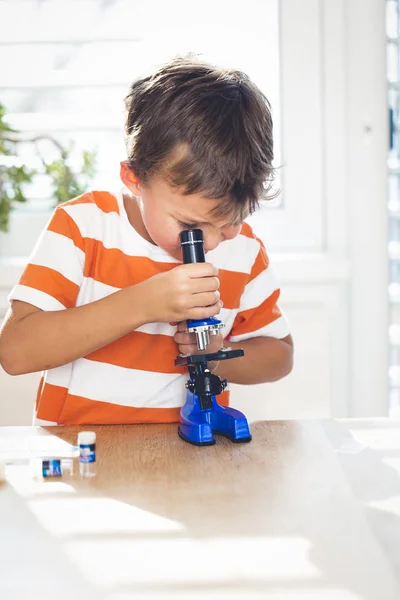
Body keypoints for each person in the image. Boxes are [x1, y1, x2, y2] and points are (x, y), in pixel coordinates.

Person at [0, 56, 293, 425]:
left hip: (189, 459)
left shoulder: (245, 250)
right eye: (192, 224)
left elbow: (280, 355)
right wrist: (143, 304)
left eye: (234, 219)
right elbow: (15, 353)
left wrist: (219, 352)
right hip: (83, 457)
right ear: (134, 179)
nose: (218, 240)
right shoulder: (83, 227)